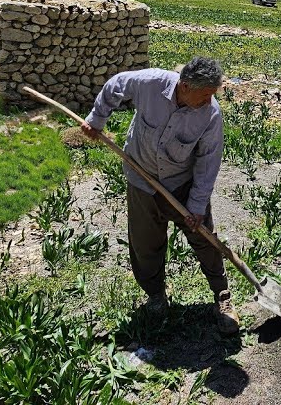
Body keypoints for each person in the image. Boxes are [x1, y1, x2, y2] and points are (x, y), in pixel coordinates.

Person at [80, 56, 240, 334]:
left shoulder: (210, 115)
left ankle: (221, 294)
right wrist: (97, 119)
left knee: (204, 239)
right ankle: (156, 296)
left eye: (212, 95)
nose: (208, 101)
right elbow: (116, 85)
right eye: (204, 95)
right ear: (185, 85)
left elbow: (208, 161)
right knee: (145, 244)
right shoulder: (150, 83)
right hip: (141, 178)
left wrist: (197, 205)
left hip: (182, 183)